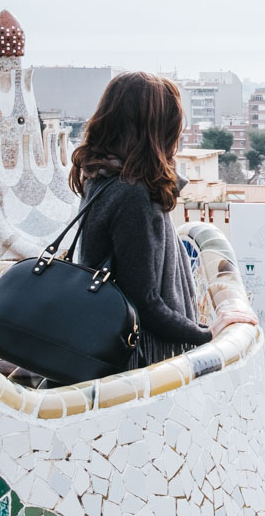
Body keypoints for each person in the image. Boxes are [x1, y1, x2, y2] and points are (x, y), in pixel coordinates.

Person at [66, 71, 249, 372]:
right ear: (156, 132)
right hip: (140, 362)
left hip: (106, 348)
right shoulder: (131, 195)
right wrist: (206, 334)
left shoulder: (100, 179)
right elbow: (145, 302)